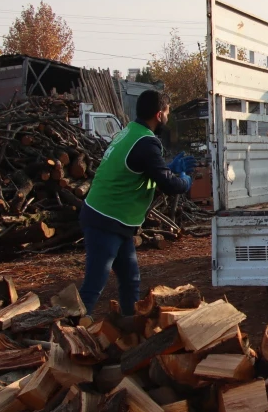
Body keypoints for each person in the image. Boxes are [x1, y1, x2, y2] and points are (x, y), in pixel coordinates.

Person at [79, 89, 194, 312]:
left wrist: (168, 169)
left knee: (131, 280)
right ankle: (68, 336)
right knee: (94, 285)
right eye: (167, 113)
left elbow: (139, 170)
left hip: (115, 220)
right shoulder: (146, 142)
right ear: (159, 115)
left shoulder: (130, 132)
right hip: (106, 220)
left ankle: (129, 325)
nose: (167, 119)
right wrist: (185, 181)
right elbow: (167, 185)